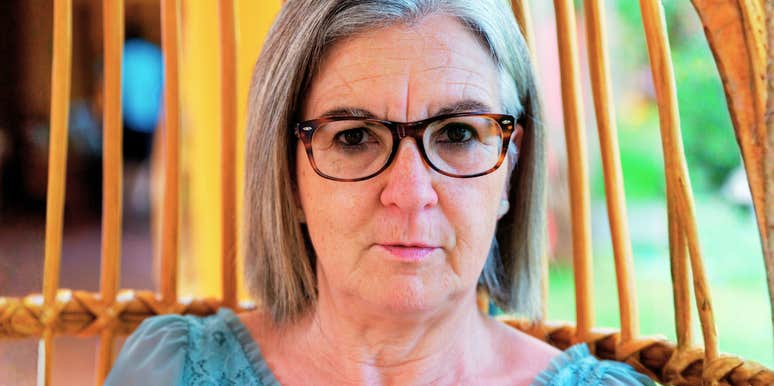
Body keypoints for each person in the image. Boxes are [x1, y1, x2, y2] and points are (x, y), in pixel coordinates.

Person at [106, 0, 655, 384]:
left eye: (459, 133)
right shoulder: (170, 374)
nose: (411, 193)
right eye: (354, 137)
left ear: (511, 166)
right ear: (287, 176)